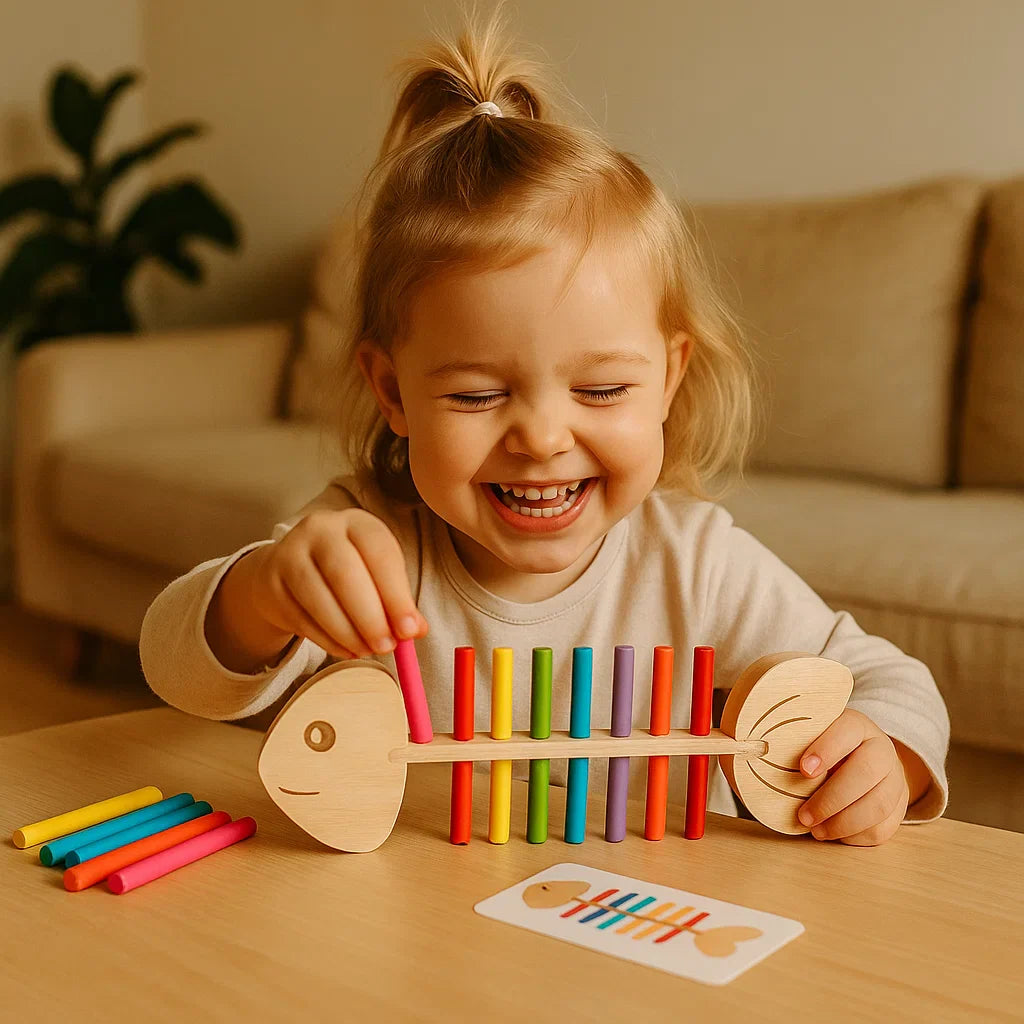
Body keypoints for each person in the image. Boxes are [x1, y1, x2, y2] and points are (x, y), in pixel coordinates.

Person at [141, 6, 948, 846]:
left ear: (668, 378)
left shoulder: (696, 563)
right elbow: (179, 671)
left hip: (638, 932)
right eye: (477, 397)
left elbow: (891, 681)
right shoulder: (367, 542)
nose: (541, 437)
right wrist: (266, 590)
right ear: (391, 391)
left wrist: (884, 750)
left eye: (600, 390)